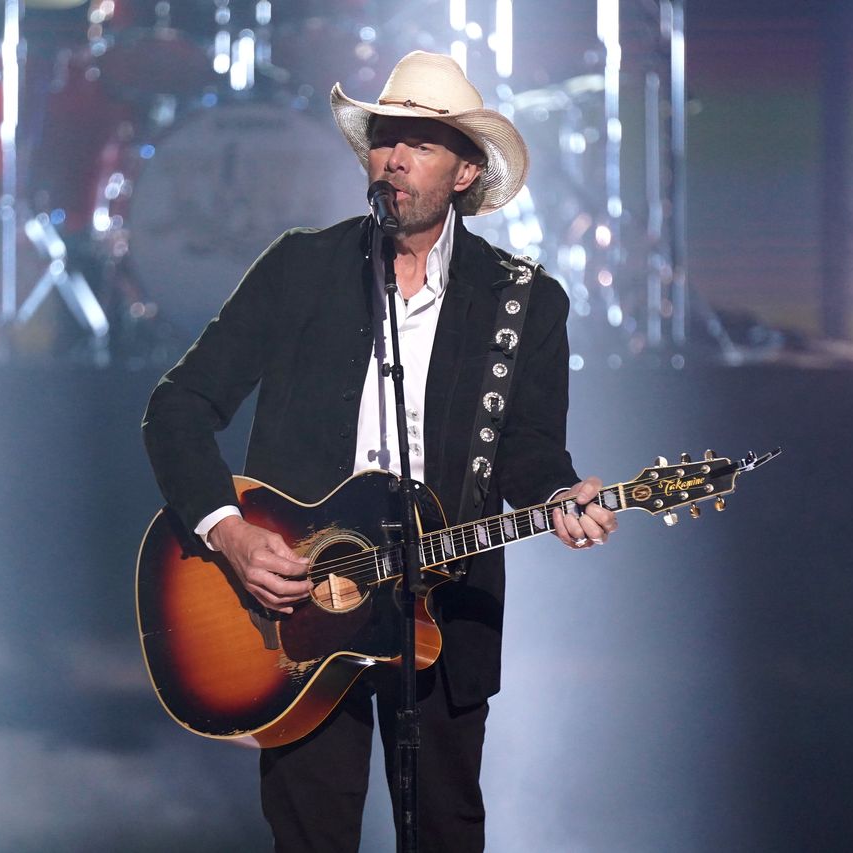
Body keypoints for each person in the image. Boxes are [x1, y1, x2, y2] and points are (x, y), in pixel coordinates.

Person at [142, 51, 617, 852]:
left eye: (421, 144)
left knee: (444, 831)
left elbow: (526, 445)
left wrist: (561, 492)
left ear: (466, 172)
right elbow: (176, 406)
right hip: (296, 612)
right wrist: (229, 531)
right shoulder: (302, 267)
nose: (394, 158)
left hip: (439, 610)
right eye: (384, 139)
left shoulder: (524, 302)